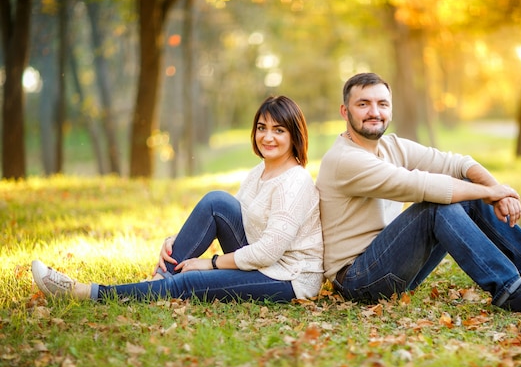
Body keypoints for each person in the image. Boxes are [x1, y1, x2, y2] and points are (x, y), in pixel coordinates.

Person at [316, 72, 521, 315]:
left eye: (382, 104)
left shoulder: (391, 146)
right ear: (345, 111)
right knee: (438, 205)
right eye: (363, 104)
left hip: (389, 265)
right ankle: (511, 291)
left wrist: (496, 192)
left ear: (390, 110)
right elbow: (425, 186)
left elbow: (456, 163)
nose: (374, 112)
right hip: (356, 279)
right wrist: (490, 192)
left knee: (467, 192)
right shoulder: (345, 160)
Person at [32, 95, 324, 303]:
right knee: (217, 202)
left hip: (288, 277)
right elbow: (234, 217)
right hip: (263, 260)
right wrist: (178, 239)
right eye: (262, 128)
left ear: (294, 135)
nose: (267, 137)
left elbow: (269, 252)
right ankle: (158, 281)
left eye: (279, 130)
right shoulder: (260, 171)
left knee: (190, 282)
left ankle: (87, 292)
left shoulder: (295, 181)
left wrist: (211, 263)